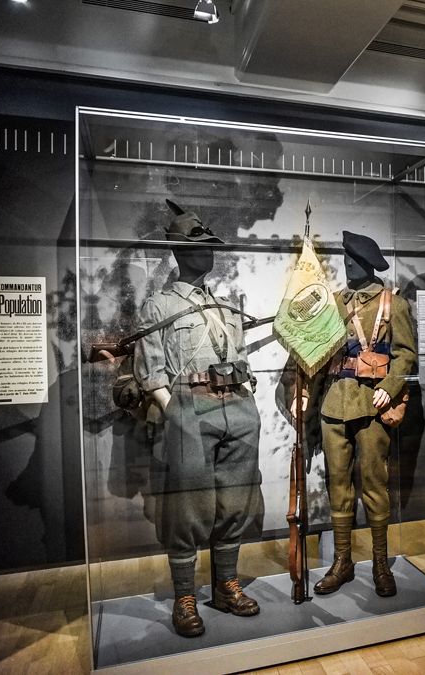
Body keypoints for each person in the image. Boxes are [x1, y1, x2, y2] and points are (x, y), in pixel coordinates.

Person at [134, 200, 262, 638]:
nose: (209, 253)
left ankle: (226, 586)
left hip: (238, 408)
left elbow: (240, 356)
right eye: (200, 247)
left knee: (236, 502)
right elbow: (150, 371)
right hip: (189, 406)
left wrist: (246, 401)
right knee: (188, 509)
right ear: (180, 254)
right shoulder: (160, 305)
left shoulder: (226, 305)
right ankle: (185, 597)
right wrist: (175, 411)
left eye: (210, 247)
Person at [306, 231, 417, 598]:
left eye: (353, 259)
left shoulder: (392, 304)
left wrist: (392, 383)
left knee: (374, 485)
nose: (347, 264)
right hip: (335, 404)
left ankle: (381, 563)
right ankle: (342, 562)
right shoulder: (335, 302)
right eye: (346, 258)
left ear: (366, 262)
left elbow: (406, 354)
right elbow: (320, 355)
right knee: (337, 485)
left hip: (373, 403)